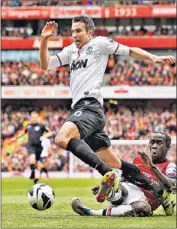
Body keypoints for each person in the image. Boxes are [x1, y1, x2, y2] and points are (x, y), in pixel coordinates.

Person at [39, 16, 176, 200]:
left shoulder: (100, 44)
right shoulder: (70, 51)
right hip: (88, 111)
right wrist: (44, 40)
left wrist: (154, 57)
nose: (74, 35)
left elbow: (130, 51)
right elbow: (45, 64)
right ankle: (158, 192)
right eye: (72, 31)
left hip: (90, 107)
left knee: (62, 138)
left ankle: (106, 174)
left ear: (90, 32)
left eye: (78, 31)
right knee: (115, 161)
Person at [74, 131, 176, 216]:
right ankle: (109, 192)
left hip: (143, 202)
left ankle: (91, 210)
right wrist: (109, 183)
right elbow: (124, 177)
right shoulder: (138, 159)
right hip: (130, 190)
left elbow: (172, 186)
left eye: (159, 143)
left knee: (144, 208)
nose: (154, 146)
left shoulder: (170, 166)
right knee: (123, 191)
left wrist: (153, 168)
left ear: (168, 146)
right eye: (152, 142)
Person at [11, 112, 53, 183]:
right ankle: (34, 175)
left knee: (38, 164)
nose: (34, 119)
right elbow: (23, 132)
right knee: (32, 160)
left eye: (35, 117)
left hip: (39, 147)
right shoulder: (28, 125)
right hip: (31, 146)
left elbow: (50, 132)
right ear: (31, 118)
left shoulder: (41, 126)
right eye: (33, 117)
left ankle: (35, 175)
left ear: (37, 118)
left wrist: (44, 136)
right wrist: (16, 137)